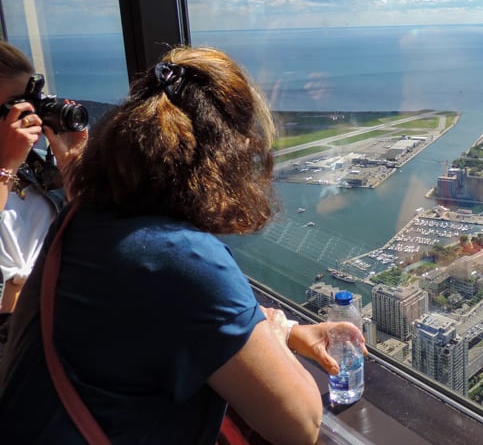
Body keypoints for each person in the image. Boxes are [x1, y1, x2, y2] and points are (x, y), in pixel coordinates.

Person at [0, 46, 366, 444]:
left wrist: (290, 329)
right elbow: (301, 425)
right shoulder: (181, 256)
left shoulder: (86, 220)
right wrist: (275, 340)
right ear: (226, 155)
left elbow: (167, 309)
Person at [0, 40, 87, 315]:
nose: (29, 118)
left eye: (32, 105)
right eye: (15, 107)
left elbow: (92, 233)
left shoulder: (35, 166)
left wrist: (72, 163)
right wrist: (6, 165)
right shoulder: (14, 163)